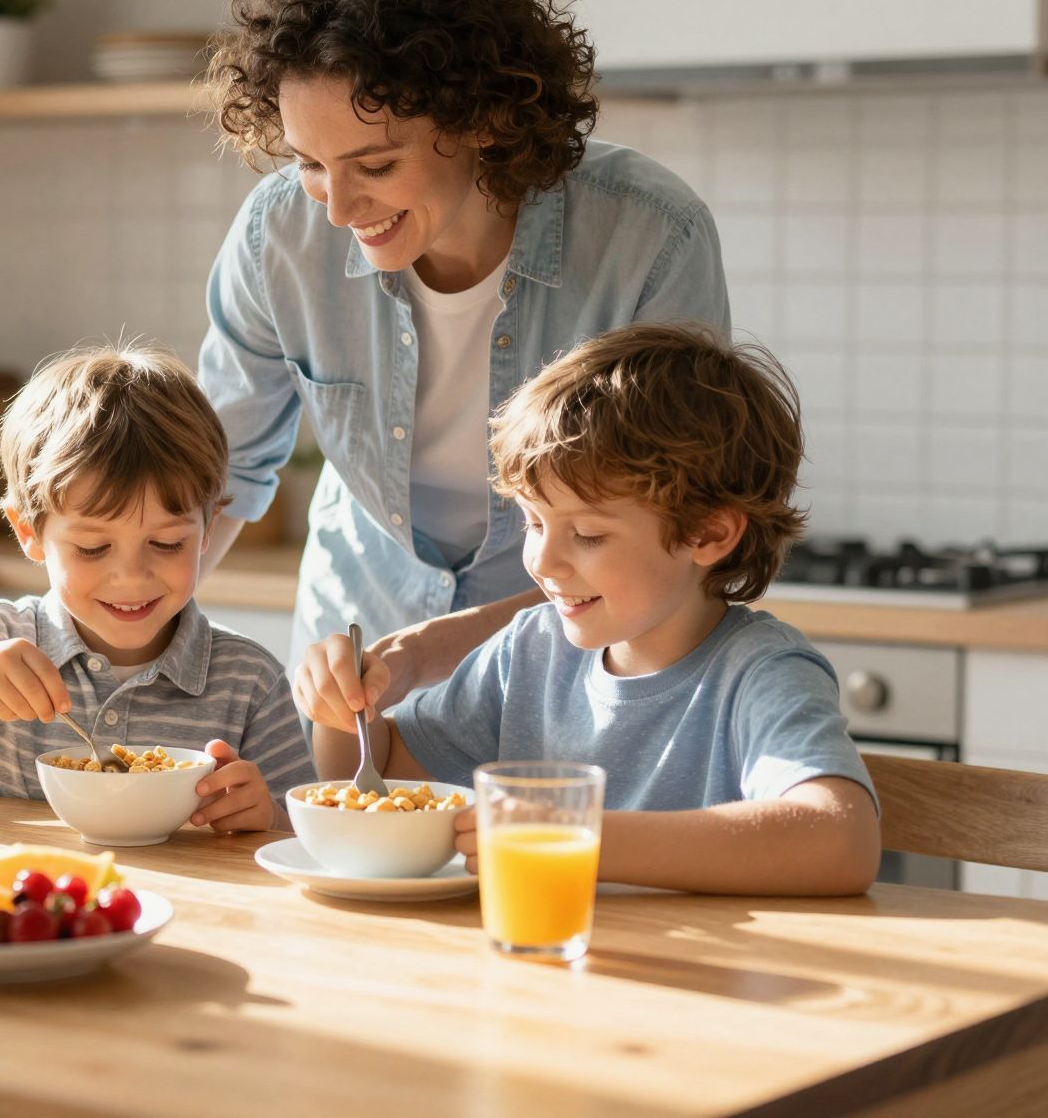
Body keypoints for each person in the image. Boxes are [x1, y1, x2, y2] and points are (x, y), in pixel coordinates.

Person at [198, 0, 730, 707]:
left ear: (482, 119)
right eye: (311, 165)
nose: (339, 211)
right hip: (355, 661)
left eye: (376, 164)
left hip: (574, 662)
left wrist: (455, 643)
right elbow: (214, 478)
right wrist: (102, 622)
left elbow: (668, 532)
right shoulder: (278, 235)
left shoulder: (649, 238)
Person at [293, 323, 880, 895]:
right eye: (533, 522)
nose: (544, 562)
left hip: (699, 981)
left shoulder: (761, 673)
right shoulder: (529, 651)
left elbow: (842, 840)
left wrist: (573, 837)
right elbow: (384, 776)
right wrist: (344, 711)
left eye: (589, 535)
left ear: (709, 534)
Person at [0, 341, 315, 833]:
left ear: (207, 531)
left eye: (167, 543)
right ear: (29, 533)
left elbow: (304, 835)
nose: (132, 576)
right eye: (93, 549)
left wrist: (267, 816)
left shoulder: (248, 681)